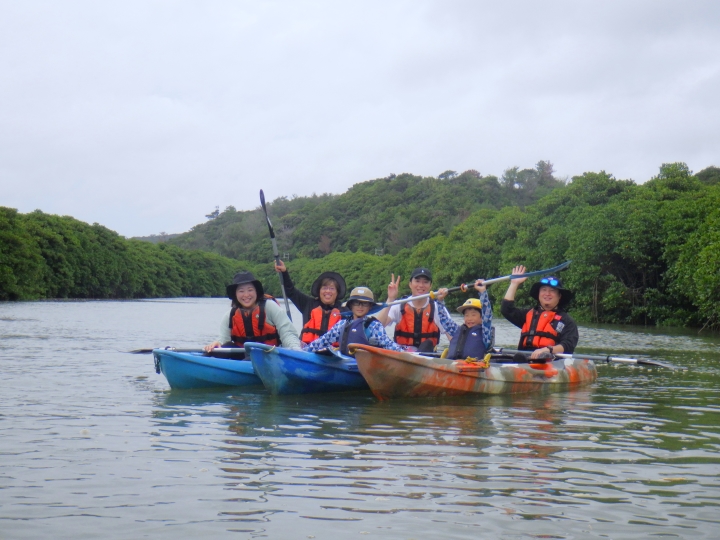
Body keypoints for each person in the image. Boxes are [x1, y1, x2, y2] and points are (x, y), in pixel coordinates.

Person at [204, 271, 302, 352]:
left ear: (256, 291)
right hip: (242, 355)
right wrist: (218, 344)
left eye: (250, 290)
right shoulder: (230, 315)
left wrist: (295, 349)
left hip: (269, 355)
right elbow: (223, 340)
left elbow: (287, 333)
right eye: (241, 291)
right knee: (224, 347)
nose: (246, 295)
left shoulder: (270, 307)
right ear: (235, 294)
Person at [501, 265, 578, 360]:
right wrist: (514, 284)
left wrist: (548, 349)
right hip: (524, 359)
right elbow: (506, 309)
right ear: (538, 294)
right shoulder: (528, 314)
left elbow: (568, 345)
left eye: (552, 291)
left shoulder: (567, 321)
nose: (547, 294)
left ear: (559, 296)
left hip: (550, 361)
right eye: (544, 290)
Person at [305, 287, 405, 356]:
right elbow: (323, 341)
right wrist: (304, 350)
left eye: (364, 304)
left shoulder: (374, 326)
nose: (360, 307)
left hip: (365, 366)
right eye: (357, 303)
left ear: (370, 307)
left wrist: (405, 354)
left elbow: (388, 344)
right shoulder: (342, 324)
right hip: (345, 362)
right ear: (351, 305)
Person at [375, 267, 455, 351]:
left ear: (430, 285)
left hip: (428, 357)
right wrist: (390, 299)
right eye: (417, 281)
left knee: (426, 346)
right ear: (410, 284)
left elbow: (453, 337)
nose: (421, 285)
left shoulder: (437, 308)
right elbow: (375, 327)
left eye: (425, 282)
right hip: (402, 355)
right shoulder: (399, 306)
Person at [273, 260, 346, 346]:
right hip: (308, 351)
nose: (327, 291)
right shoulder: (308, 304)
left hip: (333, 354)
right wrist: (284, 273)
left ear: (337, 292)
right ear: (319, 291)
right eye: (324, 288)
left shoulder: (344, 311)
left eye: (332, 288)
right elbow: (290, 291)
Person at [444, 281, 494, 360]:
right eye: (466, 315)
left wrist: (482, 292)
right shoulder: (456, 330)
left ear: (481, 318)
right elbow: (444, 320)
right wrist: (440, 300)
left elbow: (487, 314)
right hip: (453, 365)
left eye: (473, 315)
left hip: (473, 367)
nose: (469, 318)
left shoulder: (485, 333)